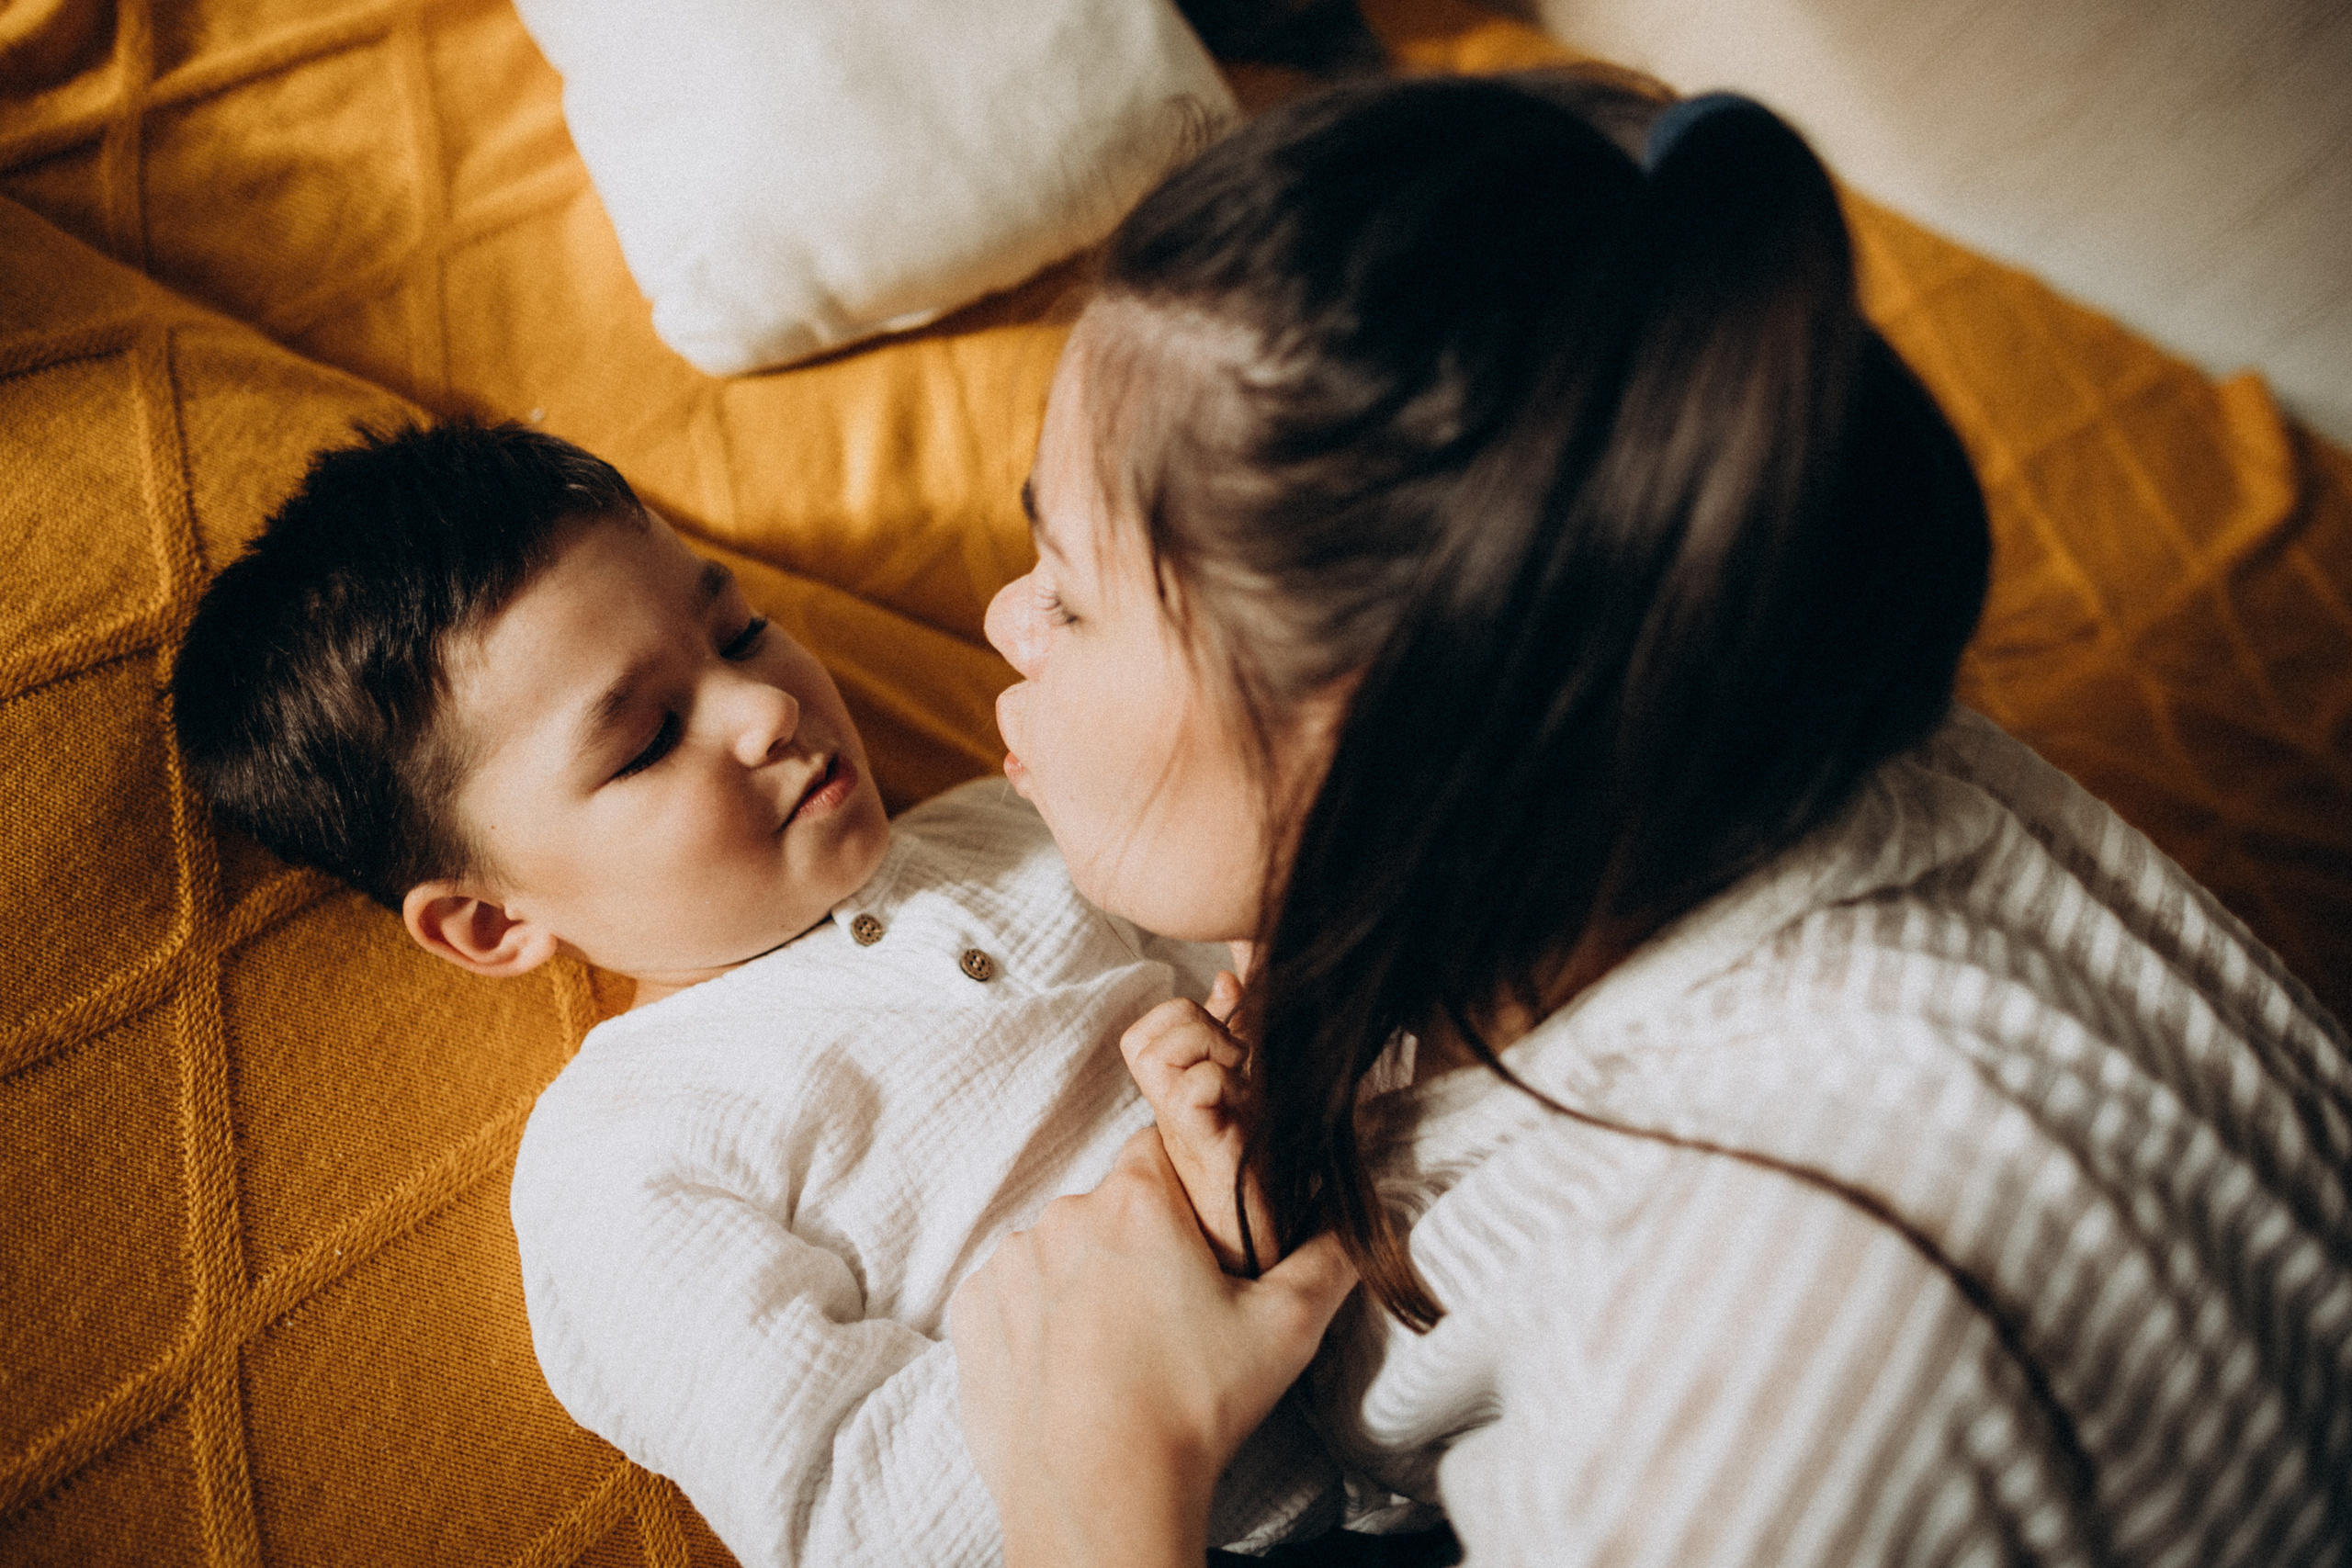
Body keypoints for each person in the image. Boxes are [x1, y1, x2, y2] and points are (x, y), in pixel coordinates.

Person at [951, 70, 2352, 1567]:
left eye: (1074, 594)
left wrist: (1096, 1496)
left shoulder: (1761, 1358)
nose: (1001, 615)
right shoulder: (1737, 722)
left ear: (1385, 728)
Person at [166, 423, 1340, 1568]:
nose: (765, 707)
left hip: (1430, 1248)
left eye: (741, 632)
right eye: (646, 742)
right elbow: (848, 1508)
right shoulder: (626, 1157)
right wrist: (1185, 1242)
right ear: (492, 921)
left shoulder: (1009, 820)